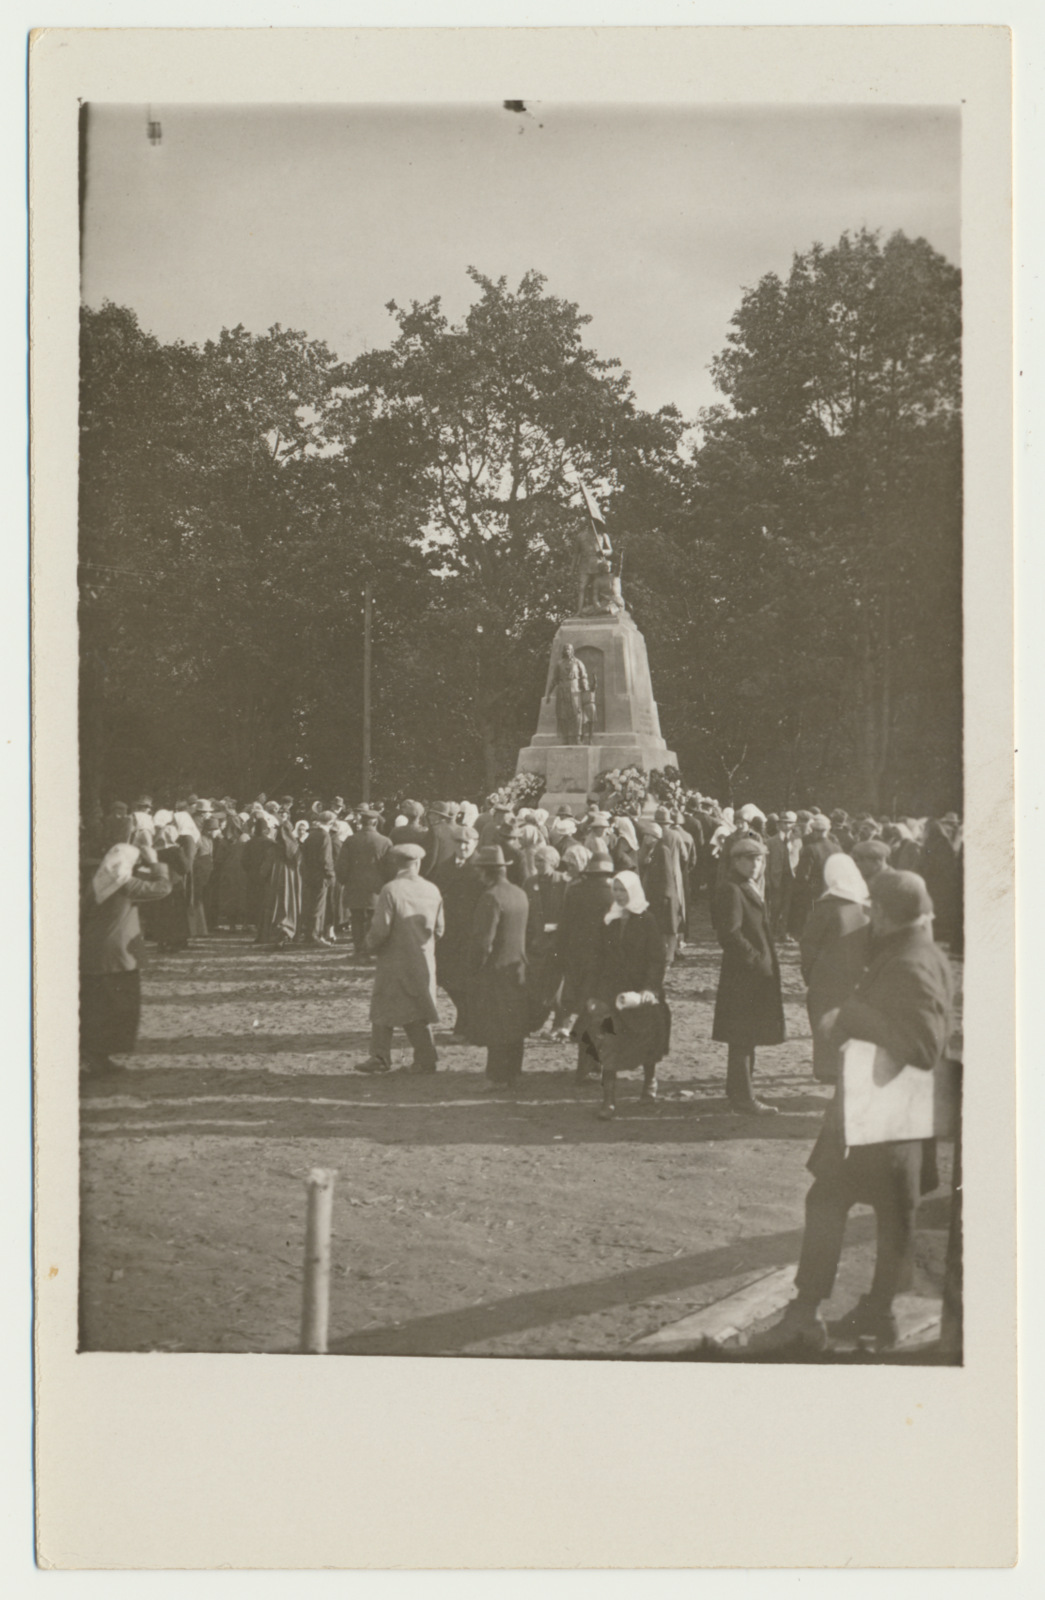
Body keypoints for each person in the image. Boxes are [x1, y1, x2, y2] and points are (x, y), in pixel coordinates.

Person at [753, 869, 955, 1354]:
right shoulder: (923, 951)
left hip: (880, 1116)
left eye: (872, 911)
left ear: (883, 913)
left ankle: (806, 1316)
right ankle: (879, 1314)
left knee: (828, 1202)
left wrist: (847, 1018)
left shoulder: (910, 961)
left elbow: (924, 1045)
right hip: (896, 1112)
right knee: (893, 1213)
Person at [581, 871, 670, 1120]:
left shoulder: (647, 920)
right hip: (612, 993)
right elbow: (597, 958)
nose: (619, 895)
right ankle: (608, 1100)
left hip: (640, 993)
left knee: (648, 1038)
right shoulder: (609, 920)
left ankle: (649, 1082)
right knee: (609, 1042)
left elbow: (656, 959)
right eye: (616, 890)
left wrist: (648, 990)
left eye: (623, 890)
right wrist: (593, 993)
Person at [81, 843, 171, 1075]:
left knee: (96, 1006)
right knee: (118, 1006)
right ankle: (99, 1057)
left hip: (93, 952)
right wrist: (154, 863)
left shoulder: (99, 881)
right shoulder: (123, 884)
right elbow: (162, 888)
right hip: (117, 954)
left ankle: (95, 1055)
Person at [711, 834, 785, 1115]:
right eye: (748, 859)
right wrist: (754, 960)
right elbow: (729, 934)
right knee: (742, 1035)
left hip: (748, 974)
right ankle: (744, 1098)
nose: (755, 864)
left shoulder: (748, 885)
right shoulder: (732, 888)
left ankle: (739, 1090)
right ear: (736, 861)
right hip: (742, 975)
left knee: (746, 1033)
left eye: (759, 859)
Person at [355, 843, 444, 1075]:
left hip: (395, 958)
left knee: (384, 1003)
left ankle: (380, 1056)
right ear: (418, 863)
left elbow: (381, 929)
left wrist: (368, 945)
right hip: (424, 957)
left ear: (396, 864)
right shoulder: (432, 889)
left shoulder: (391, 889)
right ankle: (426, 1057)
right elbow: (440, 928)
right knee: (419, 1004)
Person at [800, 852, 872, 1083]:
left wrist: (808, 973)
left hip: (826, 977)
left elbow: (808, 945)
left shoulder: (826, 907)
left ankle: (829, 1070)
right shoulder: (865, 905)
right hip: (857, 977)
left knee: (825, 1024)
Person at [466, 845, 530, 1091]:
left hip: (495, 970)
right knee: (515, 1022)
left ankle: (495, 1077)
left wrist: (475, 968)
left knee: (496, 1025)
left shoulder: (491, 897)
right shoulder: (519, 893)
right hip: (518, 966)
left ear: (486, 871)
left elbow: (483, 941)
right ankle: (514, 1071)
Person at [557, 853, 617, 1071]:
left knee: (585, 1008)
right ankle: (591, 1066)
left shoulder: (574, 891)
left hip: (577, 961)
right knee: (599, 1014)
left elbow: (563, 929)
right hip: (604, 963)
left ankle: (588, 1064)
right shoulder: (614, 895)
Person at [335, 806, 393, 957]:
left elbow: (341, 866)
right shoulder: (385, 841)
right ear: (375, 823)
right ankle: (371, 949)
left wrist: (344, 881)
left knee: (356, 919)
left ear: (361, 822)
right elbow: (391, 868)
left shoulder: (350, 840)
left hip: (354, 886)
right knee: (374, 919)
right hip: (377, 887)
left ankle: (359, 950)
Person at [524, 843, 569, 1037]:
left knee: (558, 985)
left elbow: (568, 912)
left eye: (541, 861)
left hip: (557, 941)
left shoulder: (563, 882)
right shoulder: (529, 882)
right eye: (535, 861)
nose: (537, 864)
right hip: (536, 941)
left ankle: (560, 1024)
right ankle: (535, 1021)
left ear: (553, 862)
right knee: (536, 982)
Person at [639, 821, 684, 965]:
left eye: (647, 836)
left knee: (670, 927)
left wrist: (666, 895)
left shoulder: (662, 850)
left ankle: (670, 955)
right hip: (658, 894)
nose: (645, 839)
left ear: (654, 836)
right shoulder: (654, 850)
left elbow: (667, 873)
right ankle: (665, 953)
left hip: (664, 895)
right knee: (664, 925)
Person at [299, 811, 337, 946]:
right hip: (321, 876)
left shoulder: (312, 835)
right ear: (331, 822)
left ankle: (310, 934)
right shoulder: (325, 836)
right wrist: (331, 874)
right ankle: (314, 936)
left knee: (311, 905)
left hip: (310, 874)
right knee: (319, 907)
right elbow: (325, 859)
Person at [423, 801, 459, 880]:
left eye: (431, 814)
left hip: (434, 875)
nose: (429, 816)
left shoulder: (434, 830)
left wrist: (423, 875)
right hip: (447, 874)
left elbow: (431, 857)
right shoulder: (450, 830)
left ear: (437, 815)